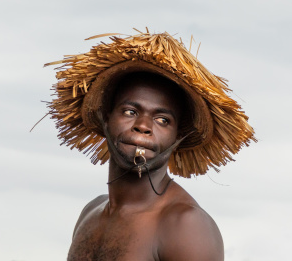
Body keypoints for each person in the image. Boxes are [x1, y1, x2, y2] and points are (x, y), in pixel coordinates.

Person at [45, 29, 256, 260]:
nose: (143, 125)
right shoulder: (91, 213)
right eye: (130, 111)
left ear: (178, 136)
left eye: (162, 120)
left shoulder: (184, 225)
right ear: (105, 117)